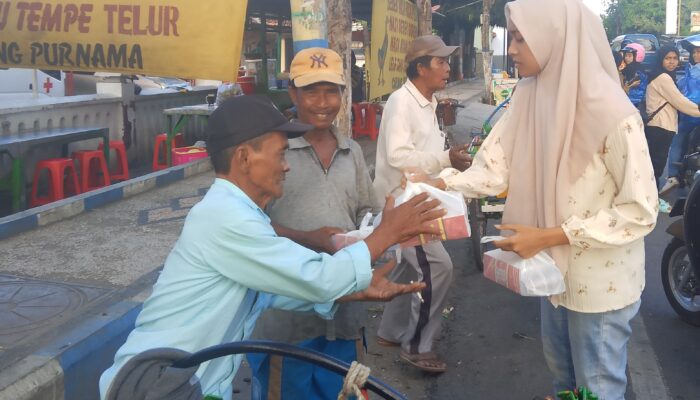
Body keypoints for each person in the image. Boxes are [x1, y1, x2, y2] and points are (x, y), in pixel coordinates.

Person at [99, 95, 443, 400]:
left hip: (191, 383)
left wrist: (351, 291)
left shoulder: (243, 214)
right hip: (156, 385)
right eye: (280, 154)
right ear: (245, 158)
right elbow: (315, 278)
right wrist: (386, 233)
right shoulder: (225, 216)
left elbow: (270, 291)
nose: (286, 164)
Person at [407, 0, 658, 398]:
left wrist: (547, 236)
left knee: (596, 390)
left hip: (598, 284)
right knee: (563, 385)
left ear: (555, 37)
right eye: (512, 37)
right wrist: (438, 184)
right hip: (551, 276)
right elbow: (493, 167)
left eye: (522, 38)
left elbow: (640, 211)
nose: (512, 49)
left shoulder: (614, 114)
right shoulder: (528, 96)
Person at [248, 48, 379, 399]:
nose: (322, 102)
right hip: (286, 322)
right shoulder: (271, 153)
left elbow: (367, 214)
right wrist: (312, 239)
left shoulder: (351, 152)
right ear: (293, 94)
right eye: (311, 91)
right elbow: (247, 231)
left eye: (331, 91)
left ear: (343, 94)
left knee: (343, 392)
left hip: (345, 315)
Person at [372, 34, 472, 373]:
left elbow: (423, 151)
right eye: (440, 62)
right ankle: (417, 345)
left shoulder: (426, 102)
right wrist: (444, 157)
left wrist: (447, 158)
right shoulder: (403, 102)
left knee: (409, 266)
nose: (447, 68)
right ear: (420, 67)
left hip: (417, 200)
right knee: (438, 268)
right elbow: (398, 155)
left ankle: (389, 332)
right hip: (403, 205)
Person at [645, 45, 700, 210]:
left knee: (654, 164)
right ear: (661, 59)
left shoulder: (665, 75)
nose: (672, 62)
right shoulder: (663, 78)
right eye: (668, 58)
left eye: (675, 58)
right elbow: (680, 101)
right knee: (656, 165)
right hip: (660, 127)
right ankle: (652, 202)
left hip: (660, 125)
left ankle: (648, 199)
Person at [661, 41, 700, 194]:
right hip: (688, 113)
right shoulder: (690, 69)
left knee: (678, 142)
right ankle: (673, 177)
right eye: (694, 52)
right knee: (677, 142)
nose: (696, 55)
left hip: (688, 112)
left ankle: (673, 176)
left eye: (699, 52)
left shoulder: (691, 69)